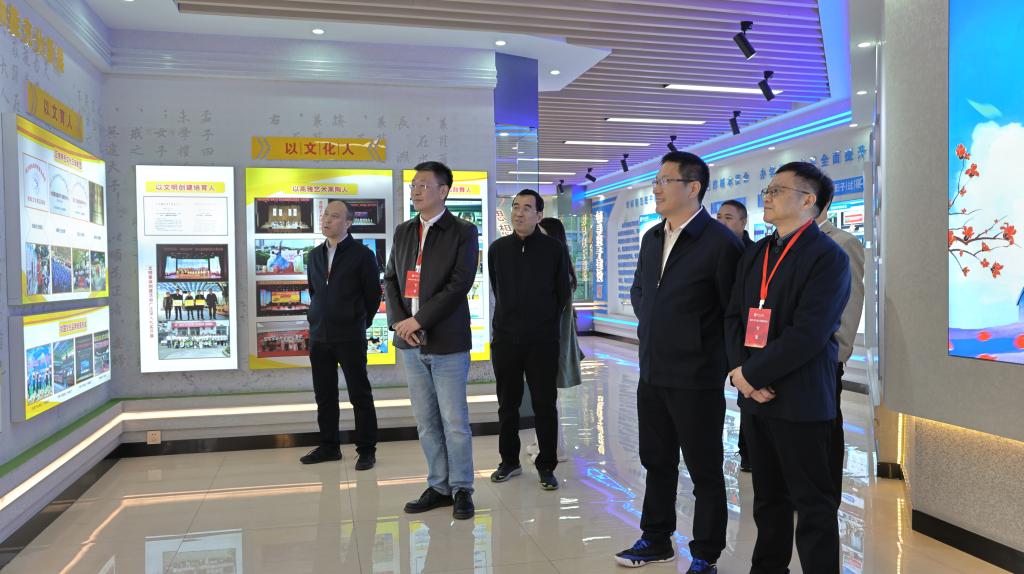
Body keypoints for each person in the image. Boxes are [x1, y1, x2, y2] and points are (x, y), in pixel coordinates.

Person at [615, 151, 742, 573]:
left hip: (697, 375)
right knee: (657, 460)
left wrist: (716, 357)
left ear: (693, 187)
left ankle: (706, 554)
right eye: (656, 181)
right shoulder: (653, 237)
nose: (656, 188)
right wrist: (654, 323)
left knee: (704, 469)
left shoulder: (720, 243)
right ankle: (656, 538)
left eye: (664, 181)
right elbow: (640, 290)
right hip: (653, 369)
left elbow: (732, 311)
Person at [725, 161, 850, 574]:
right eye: (768, 190)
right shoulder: (757, 252)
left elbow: (810, 332)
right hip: (756, 397)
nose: (768, 197)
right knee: (767, 499)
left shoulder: (828, 256)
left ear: (808, 200)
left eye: (777, 190)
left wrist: (752, 375)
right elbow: (733, 317)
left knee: (813, 505)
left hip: (801, 400)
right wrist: (742, 373)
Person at [384, 161, 479, 520]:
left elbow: (459, 284)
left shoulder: (463, 231)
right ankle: (439, 486)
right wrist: (400, 323)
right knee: (426, 421)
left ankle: (462, 488)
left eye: (424, 185)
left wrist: (419, 320)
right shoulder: (404, 231)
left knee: (454, 421)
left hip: (447, 341)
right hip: (410, 342)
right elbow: (391, 279)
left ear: (444, 190)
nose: (416, 191)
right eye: (413, 185)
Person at [487, 189, 570, 490]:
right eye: (515, 207)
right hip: (506, 339)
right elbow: (497, 287)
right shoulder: (498, 249)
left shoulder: (553, 249)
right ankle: (509, 461)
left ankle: (546, 466)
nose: (519, 213)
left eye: (526, 208)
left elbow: (562, 294)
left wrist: (542, 323)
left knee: (544, 405)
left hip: (542, 341)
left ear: (539, 215)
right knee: (507, 405)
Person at [301, 200, 383, 469]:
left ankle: (366, 450)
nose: (326, 219)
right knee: (324, 395)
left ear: (348, 222)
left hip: (350, 335)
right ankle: (329, 446)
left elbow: (373, 295)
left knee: (360, 394)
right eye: (325, 214)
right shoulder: (314, 255)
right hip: (319, 336)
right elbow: (314, 292)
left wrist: (359, 322)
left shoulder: (362, 255)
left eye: (334, 216)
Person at [816, 201, 866, 502]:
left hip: (825, 359)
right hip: (790, 360)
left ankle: (827, 496)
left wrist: (837, 354)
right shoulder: (779, 242)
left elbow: (851, 303)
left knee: (827, 427)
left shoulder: (844, 242)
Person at [527, 217, 583, 463]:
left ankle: (553, 448)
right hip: (547, 339)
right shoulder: (558, 267)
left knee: (546, 398)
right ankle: (542, 443)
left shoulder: (558, 271)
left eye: (540, 233)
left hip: (551, 341)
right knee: (543, 396)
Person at [716, 199, 755, 472]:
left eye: (728, 218)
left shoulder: (755, 253)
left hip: (745, 337)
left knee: (748, 395)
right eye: (719, 217)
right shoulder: (712, 250)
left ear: (743, 222)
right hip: (717, 337)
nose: (722, 223)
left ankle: (749, 452)